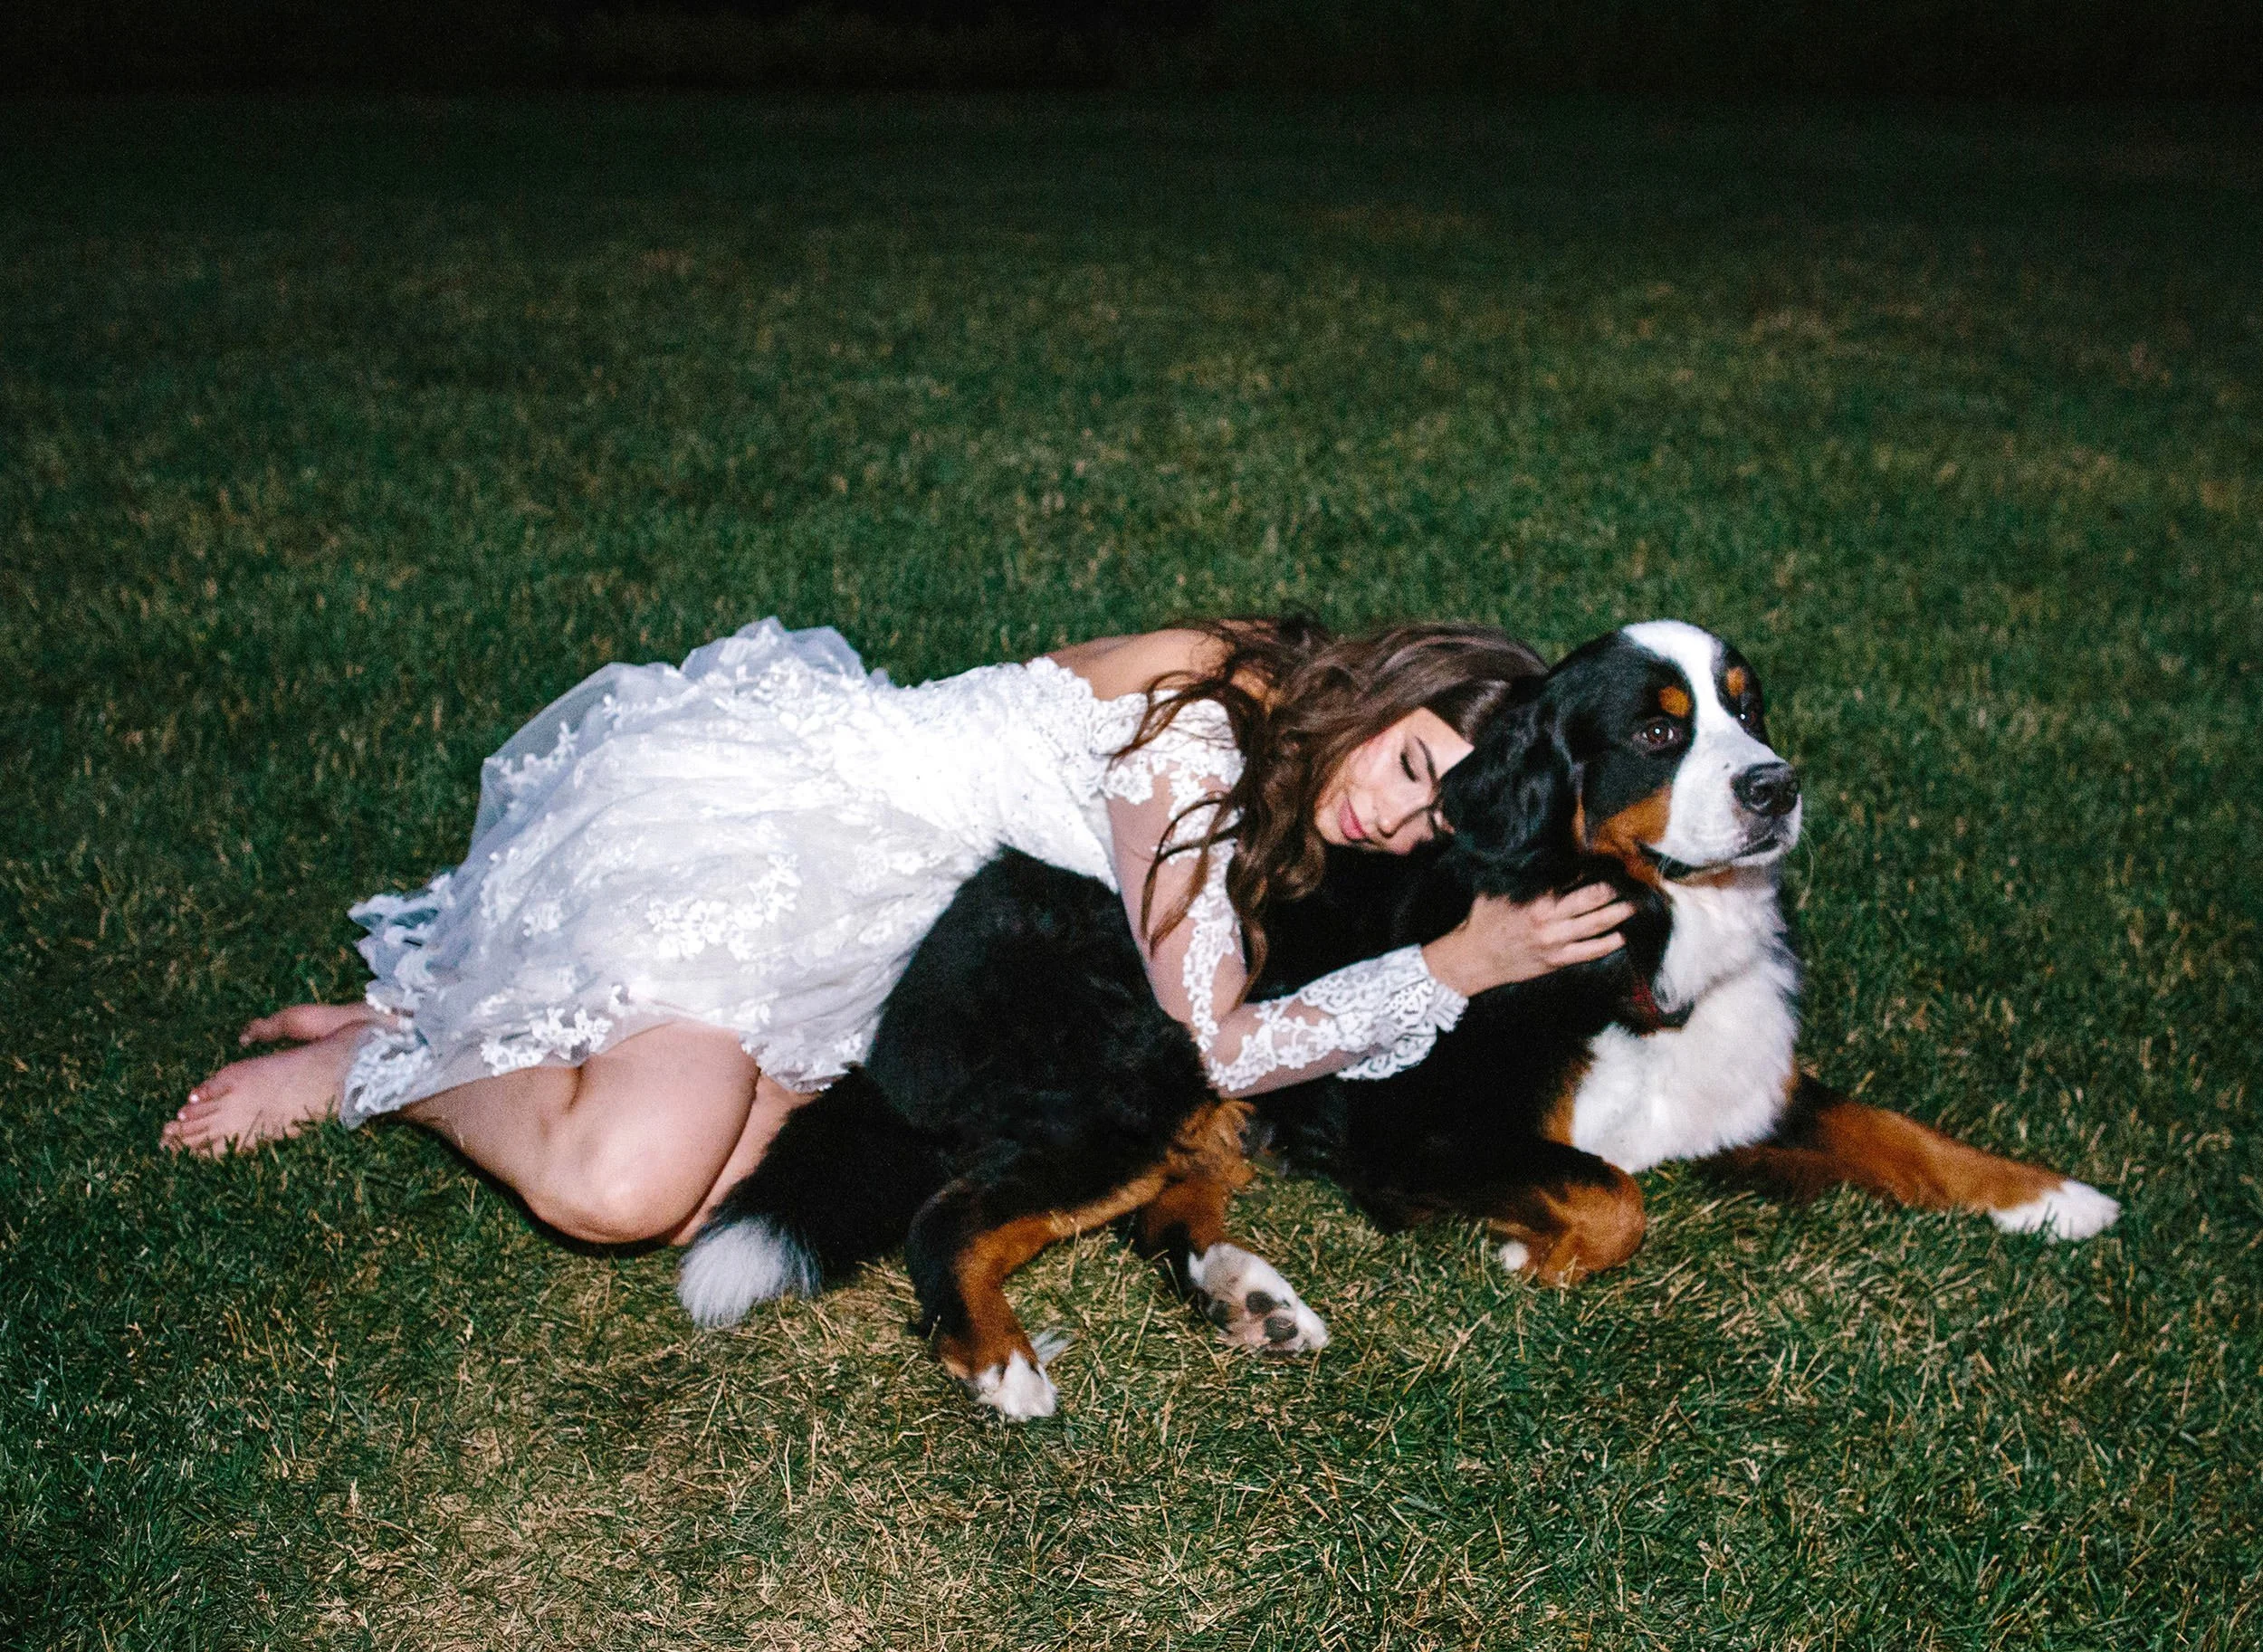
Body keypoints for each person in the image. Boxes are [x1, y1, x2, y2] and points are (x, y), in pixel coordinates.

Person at [163, 616, 1633, 1247]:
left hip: (859, 954)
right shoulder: (1206, 739)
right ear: (1390, 694)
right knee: (623, 1185)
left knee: (708, 1205)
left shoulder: (1282, 753)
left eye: (1445, 817)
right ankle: (388, 1064)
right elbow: (1224, 1045)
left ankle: (430, 1031)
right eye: (1414, 767)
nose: (1401, 818)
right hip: (762, 850)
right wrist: (1450, 966)